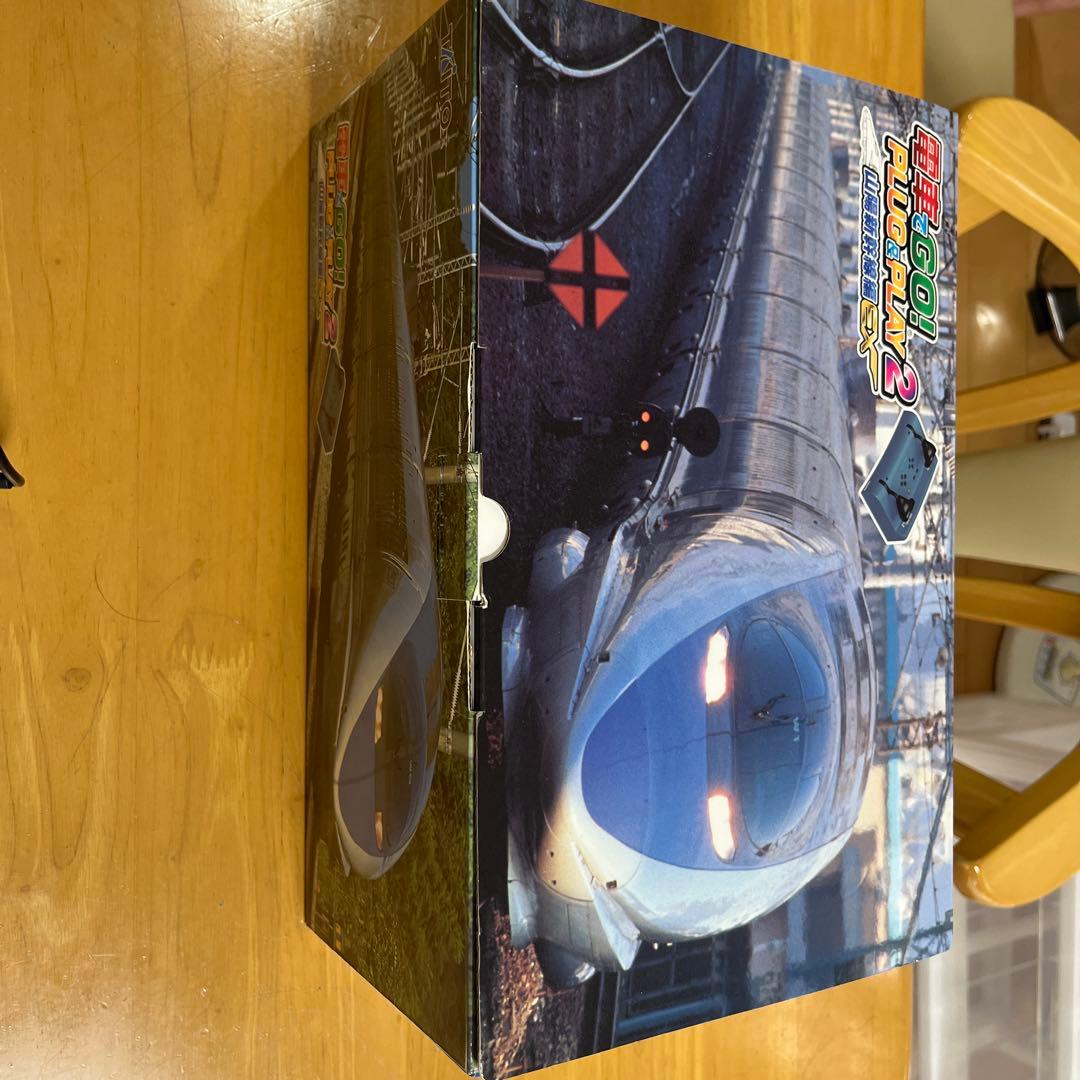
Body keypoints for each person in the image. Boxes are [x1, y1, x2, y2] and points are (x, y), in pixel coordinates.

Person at [540, 401, 720, 459]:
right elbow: (643, 410)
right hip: (625, 429)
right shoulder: (662, 436)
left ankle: (561, 427)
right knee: (598, 425)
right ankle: (562, 428)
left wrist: (636, 443)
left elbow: (643, 450)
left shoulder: (662, 438)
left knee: (598, 425)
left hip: (625, 434)